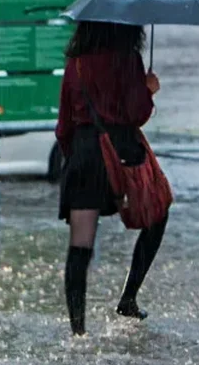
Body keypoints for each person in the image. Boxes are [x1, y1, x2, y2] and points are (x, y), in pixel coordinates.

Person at [55, 22, 165, 337]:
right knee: (157, 214)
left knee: (80, 245)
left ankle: (78, 331)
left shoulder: (74, 63)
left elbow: (63, 126)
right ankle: (128, 297)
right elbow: (135, 113)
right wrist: (149, 90)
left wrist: (75, 158)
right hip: (121, 153)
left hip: (83, 157)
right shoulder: (127, 58)